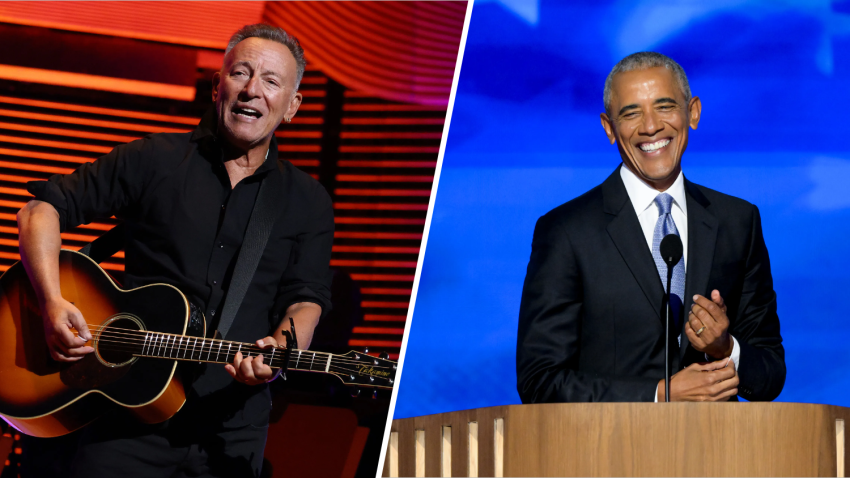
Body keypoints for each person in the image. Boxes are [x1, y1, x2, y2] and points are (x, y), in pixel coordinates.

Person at [16, 24, 333, 477]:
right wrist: (50, 301)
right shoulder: (154, 159)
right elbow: (39, 212)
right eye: (241, 73)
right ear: (217, 85)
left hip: (232, 428)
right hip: (125, 417)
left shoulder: (308, 201)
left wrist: (279, 351)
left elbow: (306, 298)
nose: (251, 90)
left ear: (292, 107)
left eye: (271, 80)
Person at [516, 52, 785, 403]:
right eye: (631, 113)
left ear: (693, 113)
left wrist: (726, 348)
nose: (650, 126)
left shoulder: (738, 221)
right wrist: (659, 395)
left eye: (664, 107)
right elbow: (541, 381)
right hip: (609, 453)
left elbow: (770, 373)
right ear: (609, 128)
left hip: (719, 451)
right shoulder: (567, 231)